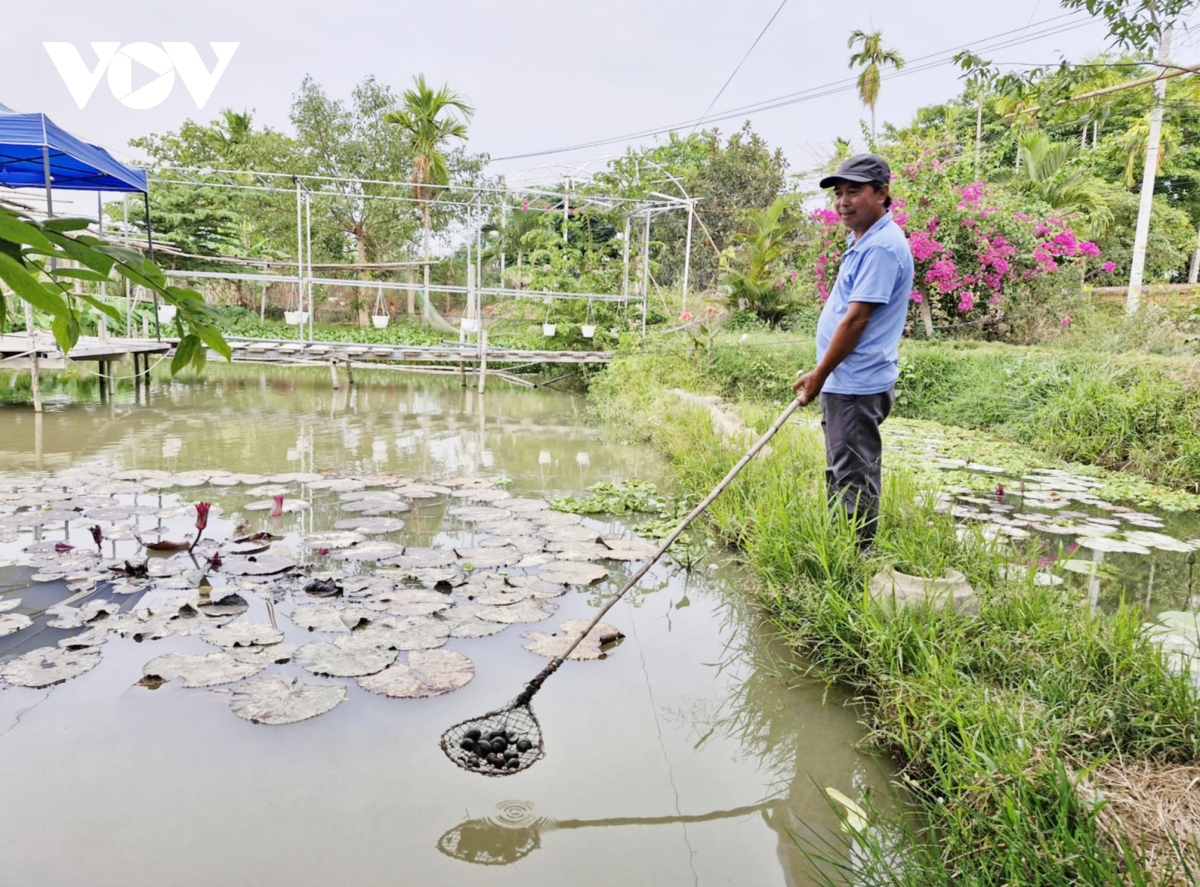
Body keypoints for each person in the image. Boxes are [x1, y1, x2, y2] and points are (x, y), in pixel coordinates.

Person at [792, 153, 914, 550]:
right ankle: (841, 546)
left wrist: (820, 374)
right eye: (839, 194)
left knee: (853, 475)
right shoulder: (863, 239)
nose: (843, 202)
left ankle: (853, 560)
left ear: (882, 193)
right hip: (846, 380)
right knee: (843, 468)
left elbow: (857, 320)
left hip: (855, 385)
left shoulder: (881, 248)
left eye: (854, 192)